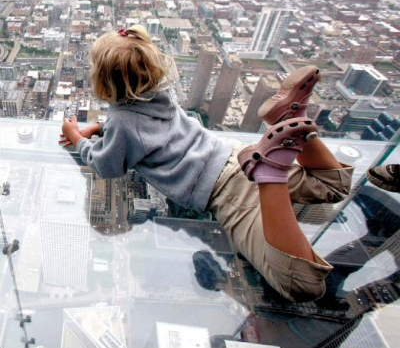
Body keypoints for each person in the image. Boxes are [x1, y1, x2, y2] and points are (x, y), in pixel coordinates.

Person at [60, 25, 354, 302]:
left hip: (228, 192)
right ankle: (288, 116)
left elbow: (106, 164)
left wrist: (77, 139)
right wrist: (101, 129)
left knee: (302, 284)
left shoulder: (124, 123)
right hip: (233, 154)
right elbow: (137, 129)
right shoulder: (159, 94)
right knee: (333, 185)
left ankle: (271, 174)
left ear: (103, 81)